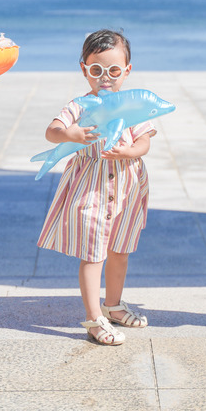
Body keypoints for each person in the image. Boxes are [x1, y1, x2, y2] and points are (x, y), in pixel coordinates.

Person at [37, 29, 157, 345]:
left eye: (114, 71)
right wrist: (70, 134)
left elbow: (145, 139)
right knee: (94, 253)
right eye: (96, 70)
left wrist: (130, 151)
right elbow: (52, 131)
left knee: (121, 249)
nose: (105, 78)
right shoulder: (80, 105)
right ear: (84, 69)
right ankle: (94, 318)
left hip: (128, 185)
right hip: (91, 186)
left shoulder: (131, 105)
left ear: (127, 71)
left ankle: (114, 305)